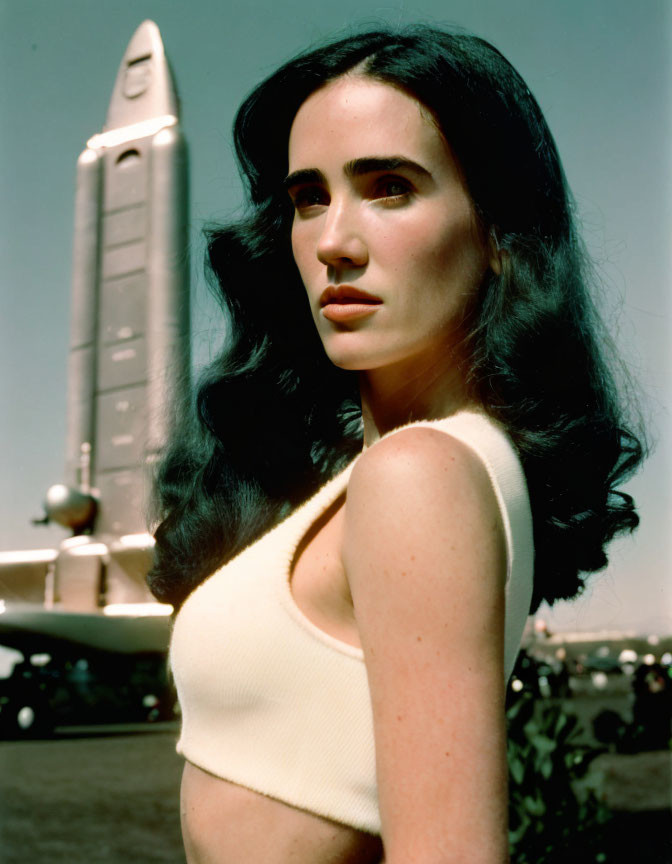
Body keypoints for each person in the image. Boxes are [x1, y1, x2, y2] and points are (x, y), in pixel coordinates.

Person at [148, 25, 644, 864]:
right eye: (309, 197)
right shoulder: (435, 467)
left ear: (497, 234)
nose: (335, 241)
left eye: (389, 187)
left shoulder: (419, 476)